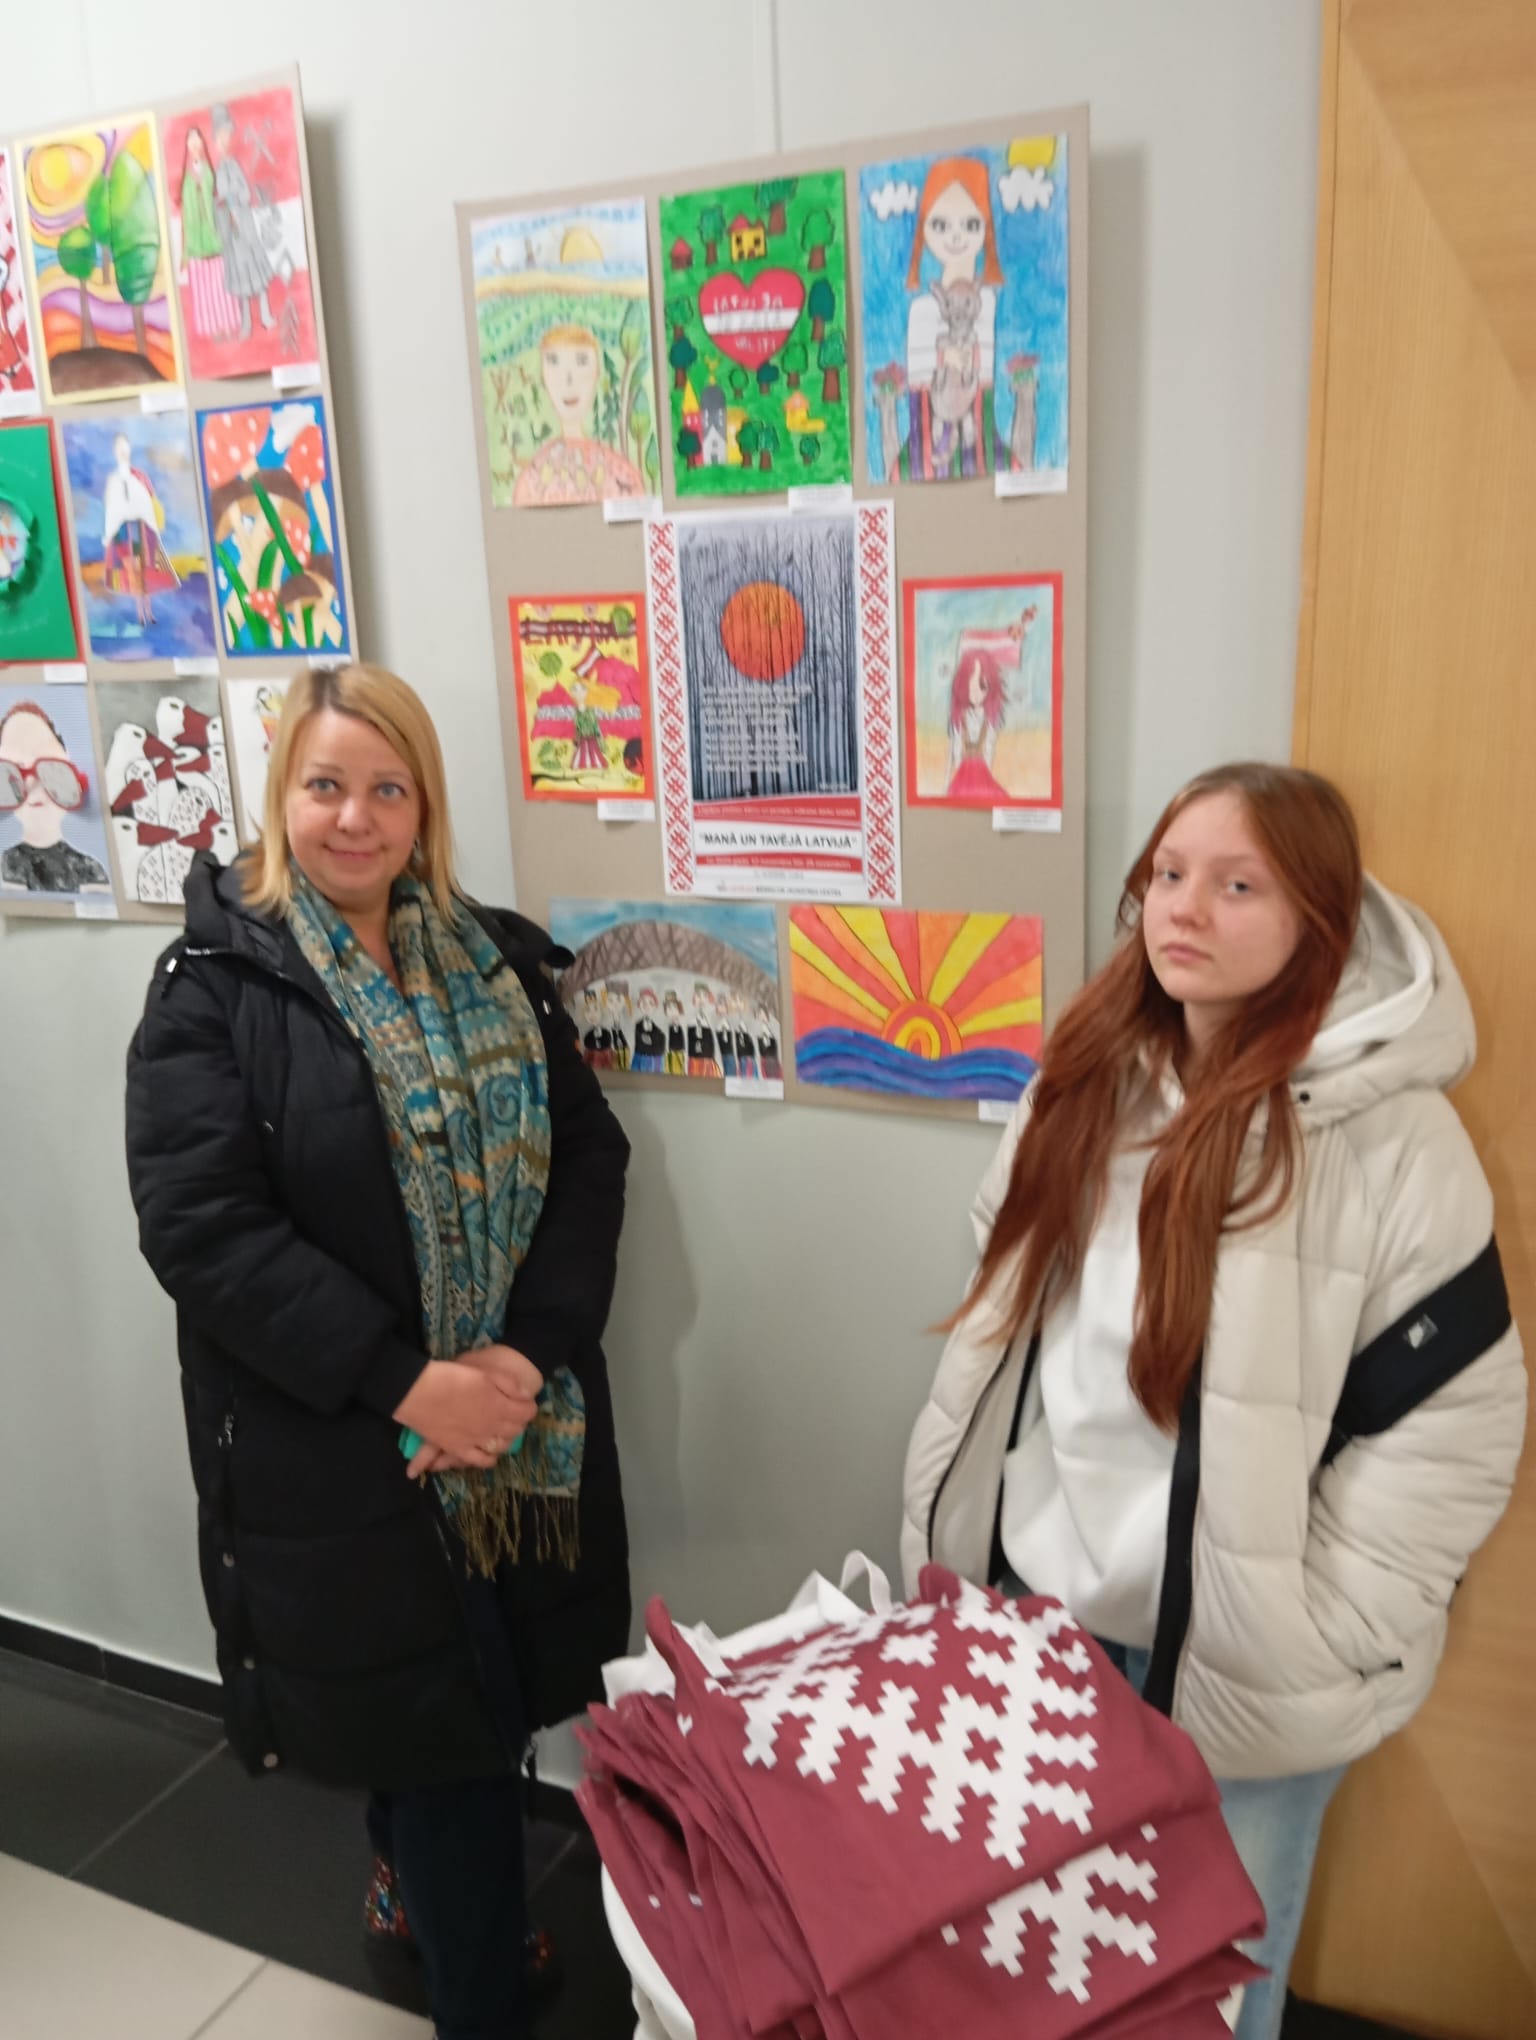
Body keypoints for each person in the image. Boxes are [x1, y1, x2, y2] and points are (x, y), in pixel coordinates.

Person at [901, 763, 1525, 2040]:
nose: (1184, 909)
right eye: (1169, 875)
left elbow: (1453, 1419)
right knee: (1044, 1966)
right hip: (1051, 1616)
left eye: (1239, 886)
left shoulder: (1392, 1140)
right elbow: (1005, 1315)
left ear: (1318, 917)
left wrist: (1310, 1630)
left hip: (1248, 1667)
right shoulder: (1084, 1079)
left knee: (1211, 1999)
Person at [125, 664, 631, 2040]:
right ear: (280, 798)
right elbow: (203, 1230)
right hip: (340, 1442)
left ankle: (409, 1887)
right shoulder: (212, 991)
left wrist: (520, 1361)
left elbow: (588, 1157)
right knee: (446, 1730)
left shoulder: (494, 963)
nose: (355, 817)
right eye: (326, 785)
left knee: (468, 1700)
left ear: (423, 807)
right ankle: (479, 2001)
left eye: (386, 788)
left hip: (509, 1419)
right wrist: (415, 1386)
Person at [0, 700, 110, 894]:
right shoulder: (6, 865)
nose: (33, 784)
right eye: (14, 772)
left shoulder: (90, 869)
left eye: (50, 770)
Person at [211, 102, 276, 342]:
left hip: (245, 227)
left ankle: (265, 314)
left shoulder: (233, 165)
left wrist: (233, 197)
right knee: (240, 275)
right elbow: (217, 200)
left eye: (227, 135)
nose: (225, 140)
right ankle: (246, 322)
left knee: (255, 269)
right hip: (231, 232)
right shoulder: (218, 170)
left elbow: (245, 194)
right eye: (221, 136)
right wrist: (222, 204)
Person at [101, 432, 179, 628]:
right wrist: (110, 533)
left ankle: (148, 611)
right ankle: (140, 613)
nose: (123, 450)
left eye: (125, 446)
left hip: (141, 531)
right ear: (114, 451)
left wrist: (151, 522)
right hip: (123, 533)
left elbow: (149, 501)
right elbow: (112, 507)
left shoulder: (140, 476)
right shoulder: (114, 480)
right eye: (119, 447)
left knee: (144, 570)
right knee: (132, 571)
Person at [176, 126, 235, 342]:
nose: (194, 142)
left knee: (220, 284)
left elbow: (217, 198)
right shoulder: (186, 177)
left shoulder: (210, 171)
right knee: (203, 289)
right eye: (190, 139)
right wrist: (184, 252)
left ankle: (227, 325)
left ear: (202, 142)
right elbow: (185, 215)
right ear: (186, 145)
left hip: (213, 237)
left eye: (197, 138)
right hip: (195, 242)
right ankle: (212, 329)